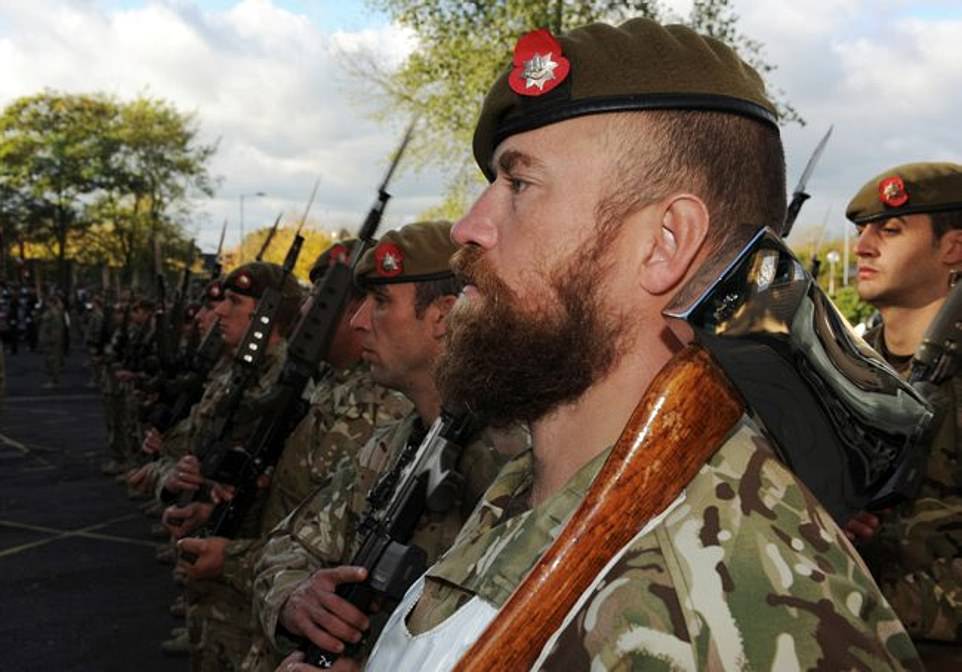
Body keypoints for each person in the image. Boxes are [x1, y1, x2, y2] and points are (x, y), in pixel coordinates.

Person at [308, 19, 923, 672]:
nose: (468, 226)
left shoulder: (743, 610)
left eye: (518, 185)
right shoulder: (534, 484)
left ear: (665, 242)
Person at [255, 222, 527, 671]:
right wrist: (297, 598)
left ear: (444, 316)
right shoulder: (393, 444)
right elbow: (285, 543)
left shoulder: (514, 461)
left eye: (380, 302)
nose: (358, 320)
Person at [161, 243, 410, 672]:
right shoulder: (327, 386)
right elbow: (291, 503)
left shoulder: (385, 407)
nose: (310, 306)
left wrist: (233, 557)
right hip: (270, 613)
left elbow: (347, 553)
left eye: (323, 295)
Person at [844, 161, 962, 668]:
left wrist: (868, 605)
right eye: (862, 231)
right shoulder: (843, 368)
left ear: (952, 248)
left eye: (889, 230)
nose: (862, 247)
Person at [38, 294, 65, 388]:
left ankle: (54, 380)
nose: (46, 303)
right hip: (48, 340)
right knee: (49, 361)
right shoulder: (49, 312)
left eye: (48, 302)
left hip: (52, 341)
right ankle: (52, 379)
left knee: (53, 361)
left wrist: (53, 339)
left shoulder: (55, 313)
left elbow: (57, 328)